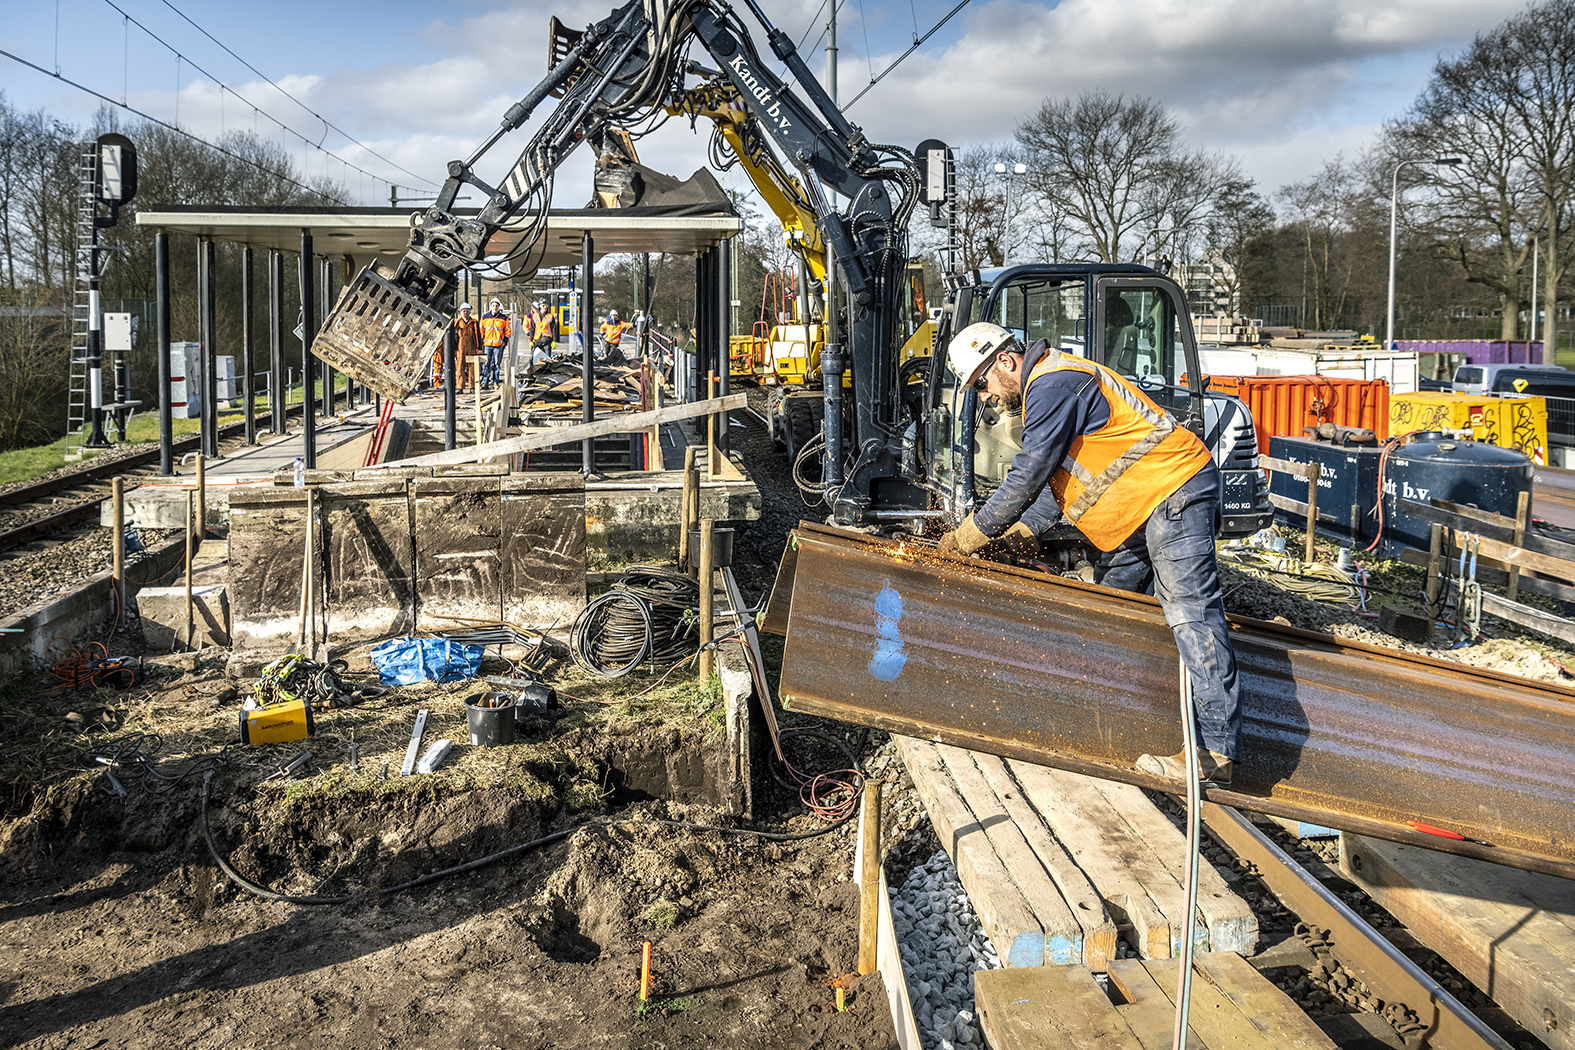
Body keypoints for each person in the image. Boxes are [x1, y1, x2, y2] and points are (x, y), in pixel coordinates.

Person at [936, 321, 1242, 786]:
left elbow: (1028, 472)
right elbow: (1052, 480)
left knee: (1191, 612)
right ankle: (1113, 716)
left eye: (981, 383)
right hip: (1139, 507)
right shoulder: (1051, 384)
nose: (985, 396)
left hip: (1171, 490)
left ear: (1003, 360)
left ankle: (1216, 751)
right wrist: (1025, 530)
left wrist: (969, 535)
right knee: (1111, 604)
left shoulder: (1054, 383)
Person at [479, 297, 511, 387]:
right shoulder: (485, 318)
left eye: (496, 306)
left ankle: (495, 382)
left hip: (498, 344)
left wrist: (504, 340)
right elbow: (481, 330)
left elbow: (508, 330)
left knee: (497, 364)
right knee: (486, 364)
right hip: (487, 345)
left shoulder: (504, 318)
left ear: (499, 307)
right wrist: (482, 339)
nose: (495, 307)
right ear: (491, 307)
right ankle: (485, 381)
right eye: (493, 306)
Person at [453, 301, 481, 393]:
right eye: (464, 311)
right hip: (460, 349)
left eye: (468, 311)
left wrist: (479, 349)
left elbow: (478, 336)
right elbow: (454, 337)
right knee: (460, 368)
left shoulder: (474, 323)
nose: (466, 313)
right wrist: (454, 349)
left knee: (472, 368)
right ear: (460, 312)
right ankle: (460, 387)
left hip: (471, 348)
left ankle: (472, 387)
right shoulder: (457, 323)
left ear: (470, 312)